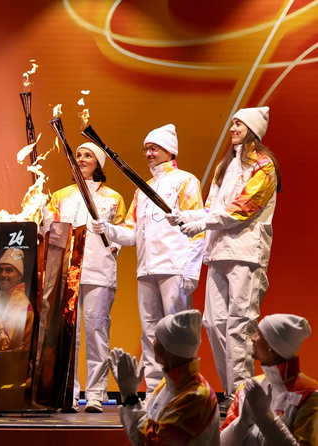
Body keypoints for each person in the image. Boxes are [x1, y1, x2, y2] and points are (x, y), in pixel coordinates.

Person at [172, 107, 280, 414]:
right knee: (214, 323)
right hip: (218, 251)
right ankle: (233, 392)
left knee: (239, 325)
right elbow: (213, 208)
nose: (232, 128)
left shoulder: (264, 165)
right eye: (232, 123)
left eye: (238, 124)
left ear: (253, 130)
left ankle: (242, 397)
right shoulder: (226, 165)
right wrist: (186, 216)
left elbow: (242, 209)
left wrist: (201, 224)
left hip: (246, 253)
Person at [93, 124, 204, 400]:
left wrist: (191, 270)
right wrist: (108, 229)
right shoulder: (143, 190)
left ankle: (182, 392)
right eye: (146, 149)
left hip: (174, 267)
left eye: (154, 148)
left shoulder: (185, 181)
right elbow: (132, 233)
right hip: (146, 269)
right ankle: (155, 393)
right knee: (150, 333)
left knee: (177, 332)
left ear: (170, 150)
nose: (148, 154)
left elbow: (198, 227)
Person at [41, 142, 126, 413]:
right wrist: (42, 213)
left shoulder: (113, 197)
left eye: (88, 155)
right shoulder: (60, 196)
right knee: (68, 336)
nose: (81, 159)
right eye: (78, 155)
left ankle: (96, 395)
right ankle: (69, 392)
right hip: (67, 273)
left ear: (98, 163)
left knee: (97, 333)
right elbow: (51, 231)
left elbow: (123, 230)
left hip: (99, 272)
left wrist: (115, 246)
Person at [109, 310, 220, 446]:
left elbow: (150, 441)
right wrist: (128, 394)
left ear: (167, 348)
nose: (153, 343)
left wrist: (129, 395)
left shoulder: (196, 397)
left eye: (157, 339)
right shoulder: (168, 383)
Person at [221, 314, 317, 445]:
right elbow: (220, 443)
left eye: (259, 334)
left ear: (273, 347)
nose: (253, 338)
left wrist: (264, 415)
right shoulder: (247, 387)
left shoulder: (310, 395)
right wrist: (243, 421)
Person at [0, 248, 34, 352]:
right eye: (0, 270)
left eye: (9, 270)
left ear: (19, 275)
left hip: (13, 362)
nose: (3, 275)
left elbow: (5, 343)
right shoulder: (1, 297)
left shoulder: (22, 305)